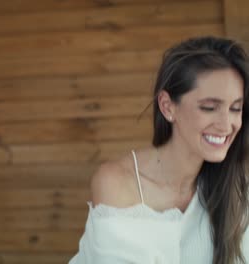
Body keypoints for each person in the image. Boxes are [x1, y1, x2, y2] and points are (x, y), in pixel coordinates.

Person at [70, 36, 249, 263]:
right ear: (167, 106)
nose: (226, 125)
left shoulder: (236, 189)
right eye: (209, 107)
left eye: (236, 108)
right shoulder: (117, 183)